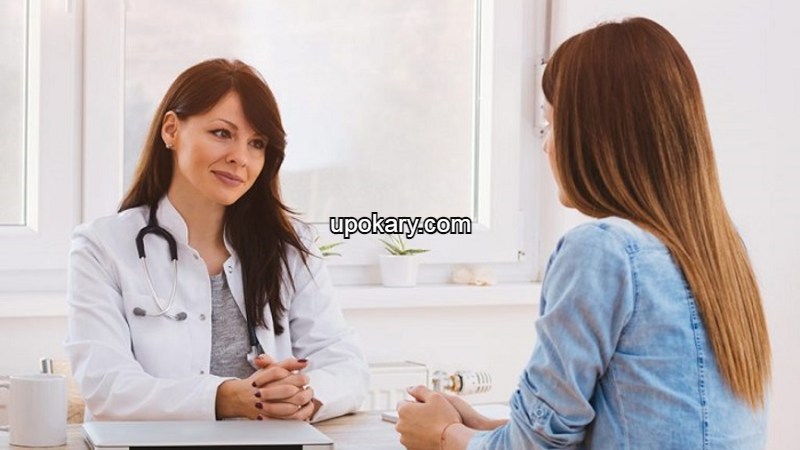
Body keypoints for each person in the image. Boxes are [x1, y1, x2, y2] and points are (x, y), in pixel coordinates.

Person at [396, 17, 770, 449]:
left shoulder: (602, 250)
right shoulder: (721, 247)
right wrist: (481, 427)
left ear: (595, 134)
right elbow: (640, 425)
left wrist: (442, 435)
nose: (546, 144)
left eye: (551, 123)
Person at [65, 58, 369, 423]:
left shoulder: (290, 246)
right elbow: (107, 387)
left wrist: (302, 396)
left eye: (256, 143)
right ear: (171, 130)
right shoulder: (101, 246)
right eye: (222, 133)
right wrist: (226, 398)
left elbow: (346, 365)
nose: (240, 158)